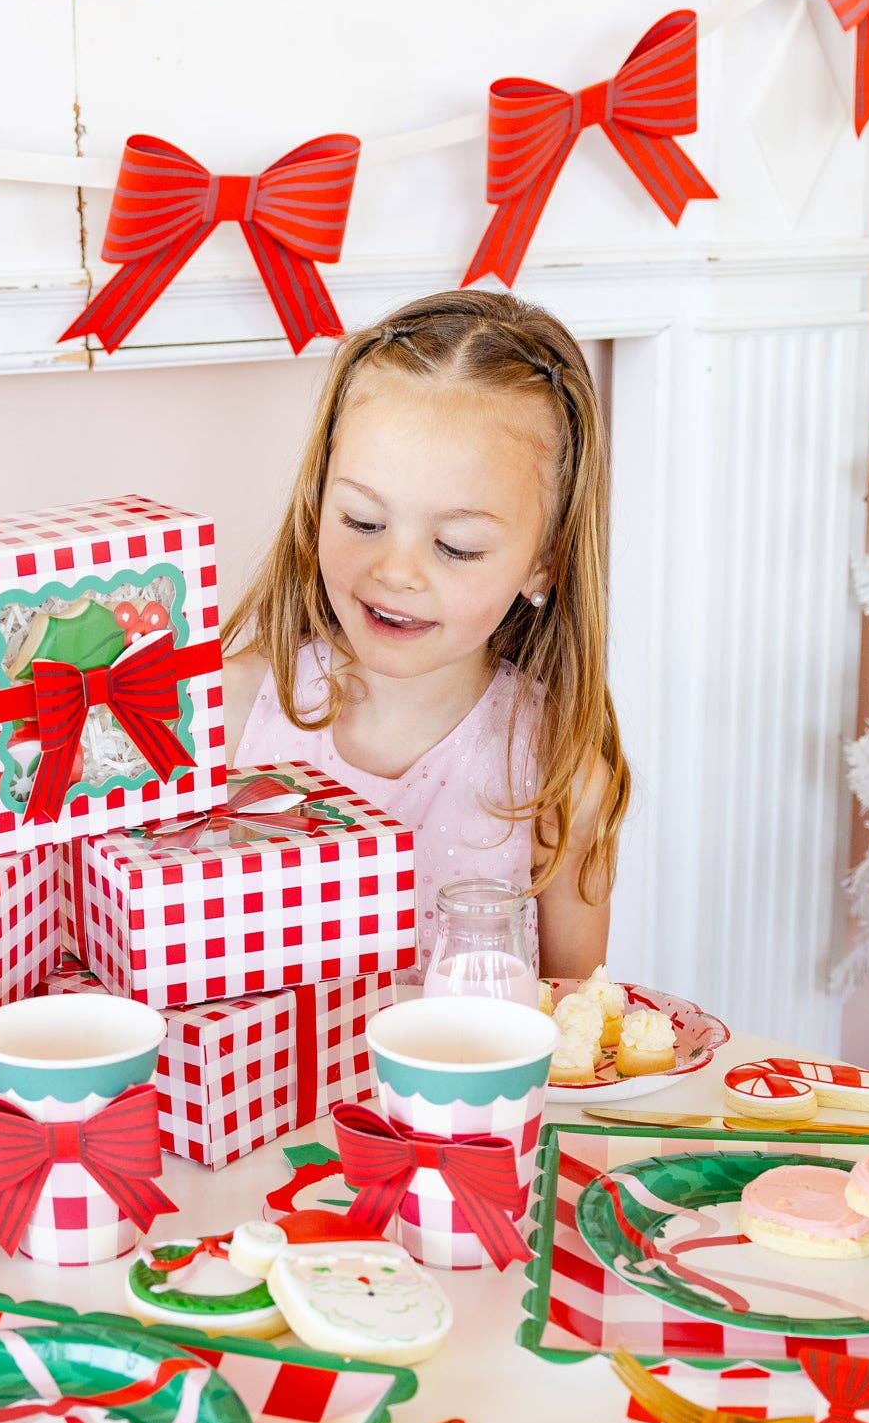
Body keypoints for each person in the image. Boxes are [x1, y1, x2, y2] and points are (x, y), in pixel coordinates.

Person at [225, 288, 629, 981]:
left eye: (457, 545)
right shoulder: (233, 709)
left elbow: (567, 1029)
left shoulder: (557, 779)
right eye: (362, 521)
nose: (396, 571)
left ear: (545, 561)